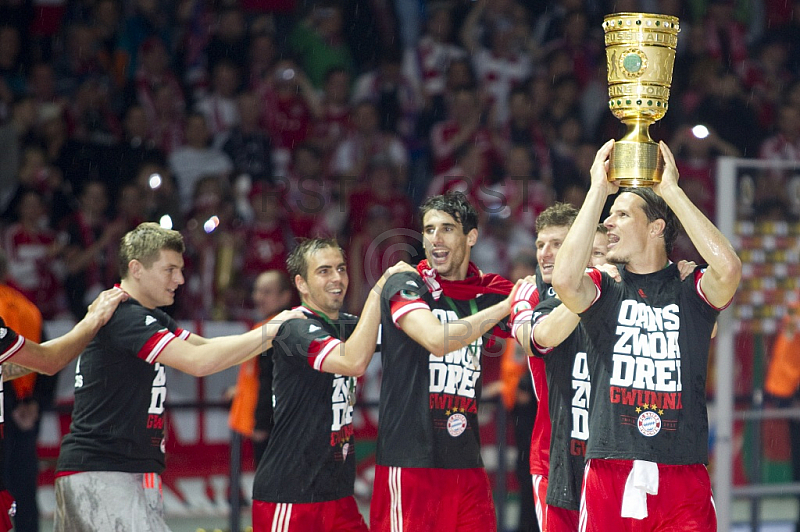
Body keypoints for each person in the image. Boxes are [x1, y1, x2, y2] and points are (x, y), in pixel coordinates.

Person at [53, 222, 303, 531]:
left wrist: (270, 331)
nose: (180, 279)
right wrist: (275, 328)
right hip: (105, 472)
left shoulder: (148, 316)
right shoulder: (126, 316)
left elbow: (209, 347)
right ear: (136, 268)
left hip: (120, 471)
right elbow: (199, 362)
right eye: (170, 269)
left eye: (181, 270)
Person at [551, 140, 741, 529]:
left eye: (621, 215)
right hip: (610, 467)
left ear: (655, 227)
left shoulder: (690, 287)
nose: (608, 223)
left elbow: (730, 270)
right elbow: (565, 281)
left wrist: (670, 190)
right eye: (610, 215)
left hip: (682, 469)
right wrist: (597, 191)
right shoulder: (605, 286)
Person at [371, 191, 519, 532]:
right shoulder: (407, 284)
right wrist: (505, 306)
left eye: (447, 229)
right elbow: (437, 340)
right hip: (409, 462)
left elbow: (540, 332)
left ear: (471, 237)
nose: (435, 238)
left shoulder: (488, 291)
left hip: (466, 464)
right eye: (428, 229)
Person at [251, 238, 413, 531]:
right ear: (301, 283)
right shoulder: (294, 328)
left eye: (341, 268)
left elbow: (414, 336)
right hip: (290, 496)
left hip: (337, 495)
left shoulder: (348, 326)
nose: (337, 278)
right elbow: (352, 361)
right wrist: (378, 291)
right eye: (324, 271)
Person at [0, 259, 127, 532]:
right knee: (24, 490)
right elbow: (48, 360)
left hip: (11, 415)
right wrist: (93, 319)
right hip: (24, 414)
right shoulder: (26, 308)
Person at [228, 270, 294, 464]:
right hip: (274, 423)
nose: (258, 297)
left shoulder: (276, 329)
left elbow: (272, 379)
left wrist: (262, 423)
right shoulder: (270, 325)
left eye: (266, 292)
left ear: (285, 295)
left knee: (271, 486)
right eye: (257, 291)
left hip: (273, 427)